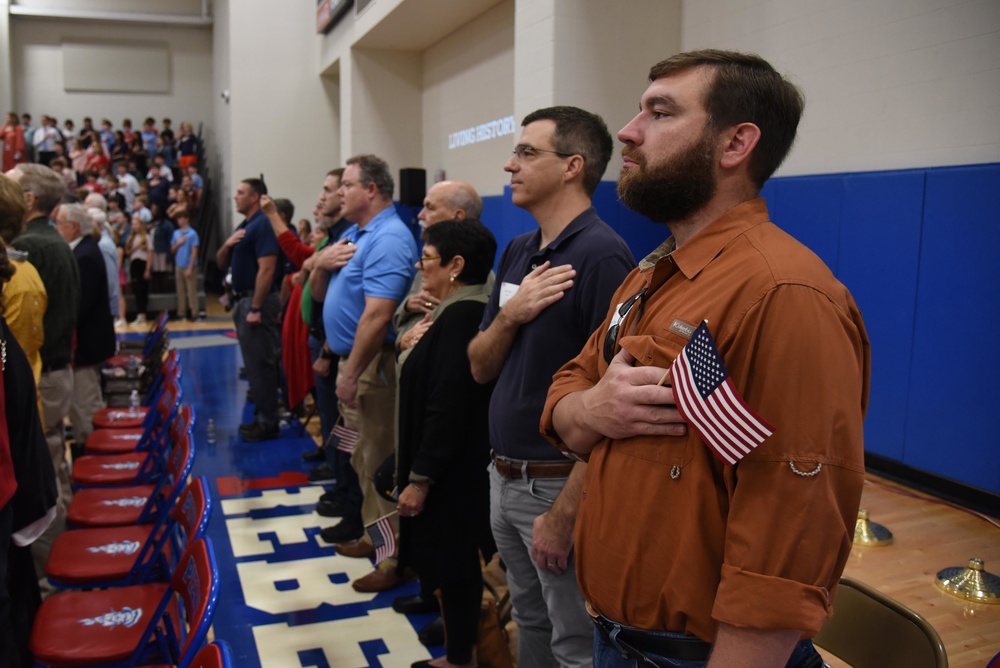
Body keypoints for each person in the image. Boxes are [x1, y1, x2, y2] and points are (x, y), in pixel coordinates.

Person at [541, 50, 871, 668]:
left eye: (660, 112)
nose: (629, 130)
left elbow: (789, 528)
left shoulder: (786, 293)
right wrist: (593, 407)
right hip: (614, 637)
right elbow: (568, 388)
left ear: (735, 144)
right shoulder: (653, 274)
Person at [467, 106, 635, 668]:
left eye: (526, 153)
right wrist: (511, 317)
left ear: (572, 166)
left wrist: (565, 514)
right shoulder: (518, 250)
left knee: (573, 641)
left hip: (555, 485)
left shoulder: (601, 256)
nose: (509, 164)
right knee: (531, 621)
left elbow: (616, 405)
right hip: (503, 475)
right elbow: (479, 365)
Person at [309, 154, 418, 592]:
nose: (339, 193)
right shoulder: (356, 233)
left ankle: (391, 559)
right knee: (356, 455)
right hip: (348, 365)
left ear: (371, 189)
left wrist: (351, 375)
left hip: (368, 370)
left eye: (347, 185)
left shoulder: (389, 238)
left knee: (376, 462)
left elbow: (377, 317)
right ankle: (374, 538)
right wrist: (318, 265)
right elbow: (320, 295)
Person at [394, 220, 498, 668]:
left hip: (452, 473)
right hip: (447, 465)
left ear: (456, 266)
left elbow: (446, 403)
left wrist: (420, 477)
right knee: (452, 566)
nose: (421, 268)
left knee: (456, 568)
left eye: (427, 259)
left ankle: (460, 659)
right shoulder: (450, 310)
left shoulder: (461, 317)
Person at [6, 163, 80, 581]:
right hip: (55, 368)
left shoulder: (30, 248)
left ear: (28, 200)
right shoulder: (52, 241)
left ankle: (52, 573)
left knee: (43, 475)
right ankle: (60, 557)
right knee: (54, 465)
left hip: (44, 374)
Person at [216, 178, 283, 442]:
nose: (236, 197)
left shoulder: (263, 224)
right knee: (254, 367)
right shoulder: (245, 226)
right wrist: (227, 244)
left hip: (257, 303)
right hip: (242, 300)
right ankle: (261, 417)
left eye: (241, 193)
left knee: (261, 366)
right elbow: (221, 261)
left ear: (255, 197)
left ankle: (268, 423)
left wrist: (255, 307)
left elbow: (267, 268)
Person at [393, 180, 486, 350]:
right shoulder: (429, 263)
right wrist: (408, 307)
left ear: (457, 216)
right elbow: (399, 324)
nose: (421, 215)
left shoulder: (479, 277)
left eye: (430, 207)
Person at [55, 203, 115, 449]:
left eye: (60, 224)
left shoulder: (86, 255)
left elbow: (81, 304)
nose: (57, 229)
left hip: (87, 345)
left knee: (86, 405)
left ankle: (94, 452)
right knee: (83, 403)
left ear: (74, 227)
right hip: (88, 342)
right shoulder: (84, 250)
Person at [170, 208, 199, 322]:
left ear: (187, 219)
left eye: (181, 218)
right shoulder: (176, 233)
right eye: (178, 218)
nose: (179, 220)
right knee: (180, 291)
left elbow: (194, 251)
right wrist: (178, 243)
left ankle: (194, 312)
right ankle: (181, 313)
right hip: (179, 264)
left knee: (191, 290)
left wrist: (190, 267)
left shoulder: (192, 234)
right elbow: (172, 249)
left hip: (189, 265)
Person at [126, 214, 152, 325]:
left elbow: (150, 253)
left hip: (143, 263)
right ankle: (139, 313)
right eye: (133, 224)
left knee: (143, 289)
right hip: (134, 263)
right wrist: (135, 246)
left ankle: (143, 314)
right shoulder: (131, 238)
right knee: (136, 289)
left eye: (136, 224)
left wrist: (147, 269)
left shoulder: (147, 237)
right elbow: (127, 252)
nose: (134, 226)